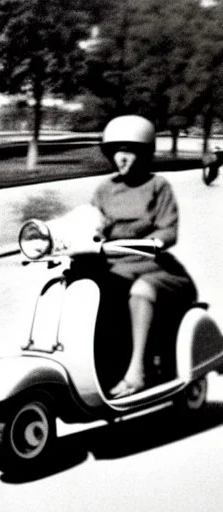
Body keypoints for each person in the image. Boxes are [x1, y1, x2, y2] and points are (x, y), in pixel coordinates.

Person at [91, 115, 197, 398]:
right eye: (115, 150)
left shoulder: (158, 186)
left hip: (155, 269)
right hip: (115, 267)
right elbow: (90, 224)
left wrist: (151, 242)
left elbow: (168, 231)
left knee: (140, 291)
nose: (121, 158)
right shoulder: (104, 190)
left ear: (145, 153)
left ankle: (137, 370)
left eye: (129, 150)